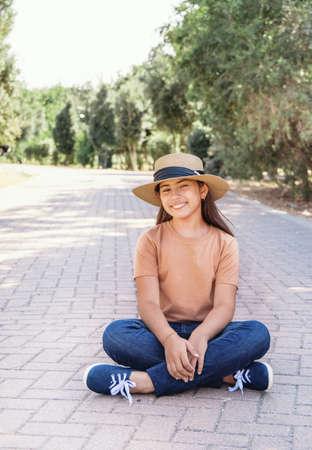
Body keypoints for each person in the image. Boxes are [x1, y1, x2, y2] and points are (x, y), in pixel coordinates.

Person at [83, 153, 272, 405]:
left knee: (258, 334)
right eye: (166, 190)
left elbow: (224, 306)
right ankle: (226, 373)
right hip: (161, 332)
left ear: (202, 190)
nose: (175, 196)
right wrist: (171, 340)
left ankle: (147, 382)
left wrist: (201, 336)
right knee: (115, 335)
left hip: (210, 333)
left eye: (183, 186)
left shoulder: (225, 242)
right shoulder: (150, 240)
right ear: (160, 196)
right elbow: (148, 303)